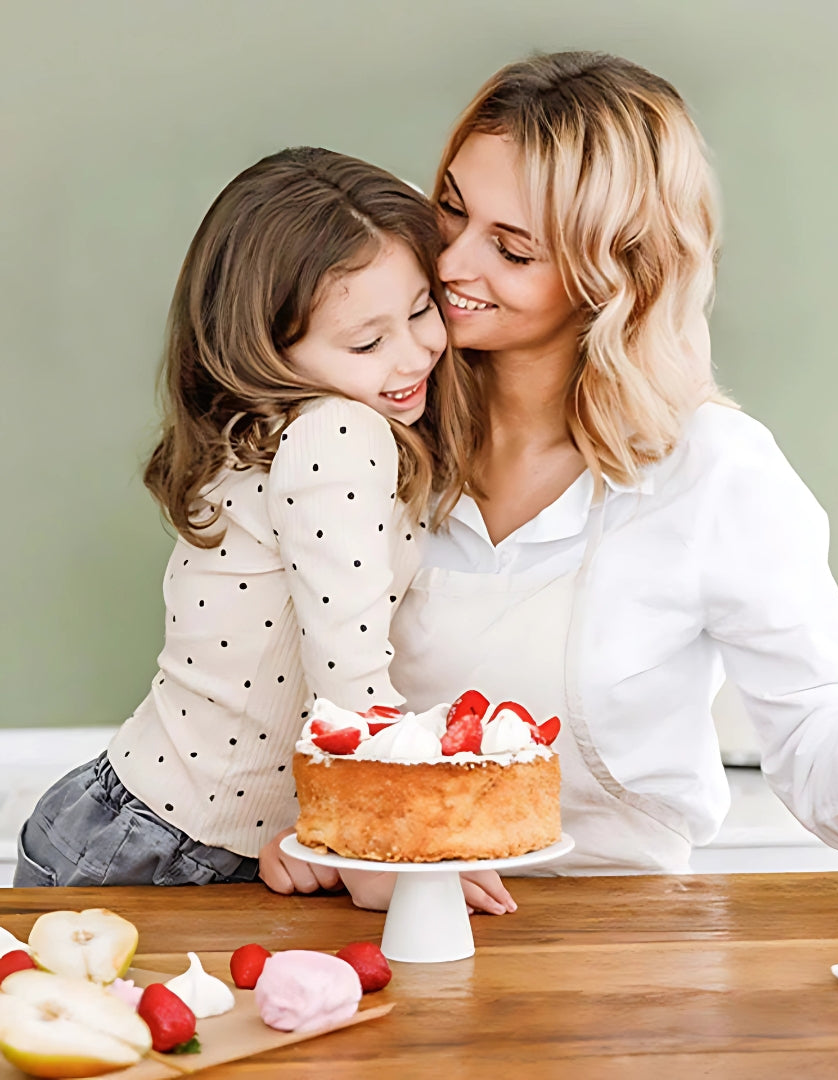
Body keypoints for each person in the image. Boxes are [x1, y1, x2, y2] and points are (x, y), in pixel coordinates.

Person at [383, 51, 838, 888]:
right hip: (385, 908)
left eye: (512, 249)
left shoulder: (715, 471)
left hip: (617, 932)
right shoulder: (374, 427)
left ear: (613, 274)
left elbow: (817, 756)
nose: (450, 265)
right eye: (450, 209)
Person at [14, 147, 512, 913]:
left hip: (147, 826)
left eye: (421, 310)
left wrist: (312, 830)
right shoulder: (340, 433)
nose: (415, 353)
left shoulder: (298, 424)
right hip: (158, 851)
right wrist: (381, 851)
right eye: (367, 342)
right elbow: (348, 672)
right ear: (269, 350)